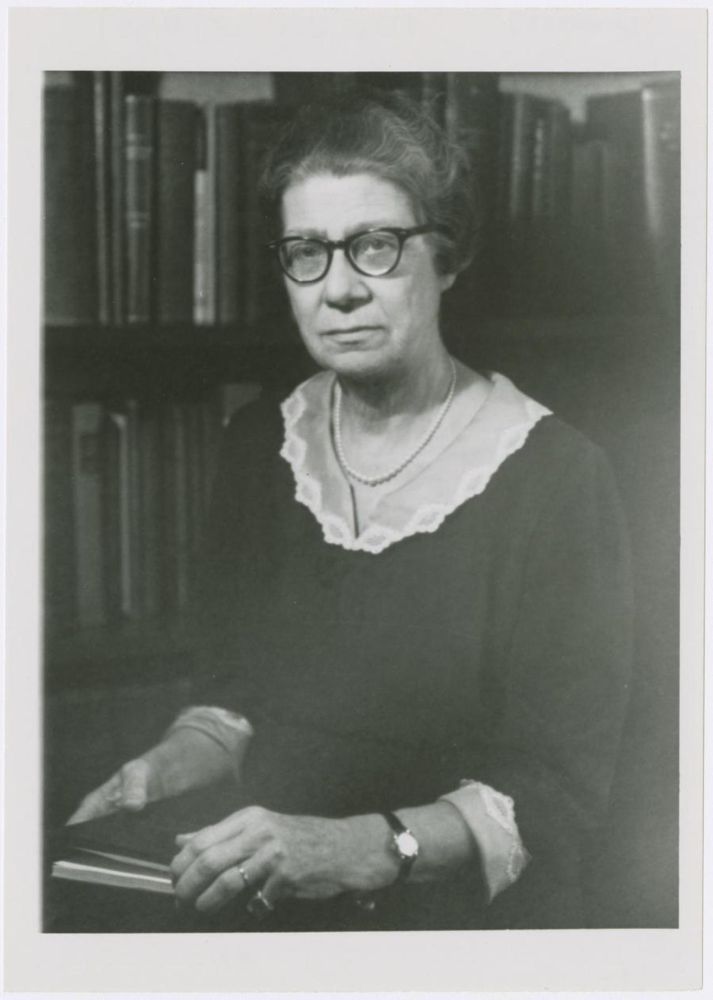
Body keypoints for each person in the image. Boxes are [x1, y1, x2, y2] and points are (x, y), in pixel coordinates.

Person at [67, 90, 633, 931]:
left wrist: (364, 848)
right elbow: (232, 695)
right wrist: (167, 763)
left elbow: (560, 791)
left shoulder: (558, 479)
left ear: (446, 258)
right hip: (272, 895)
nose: (337, 290)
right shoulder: (260, 440)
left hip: (461, 933)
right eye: (306, 252)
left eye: (374, 247)